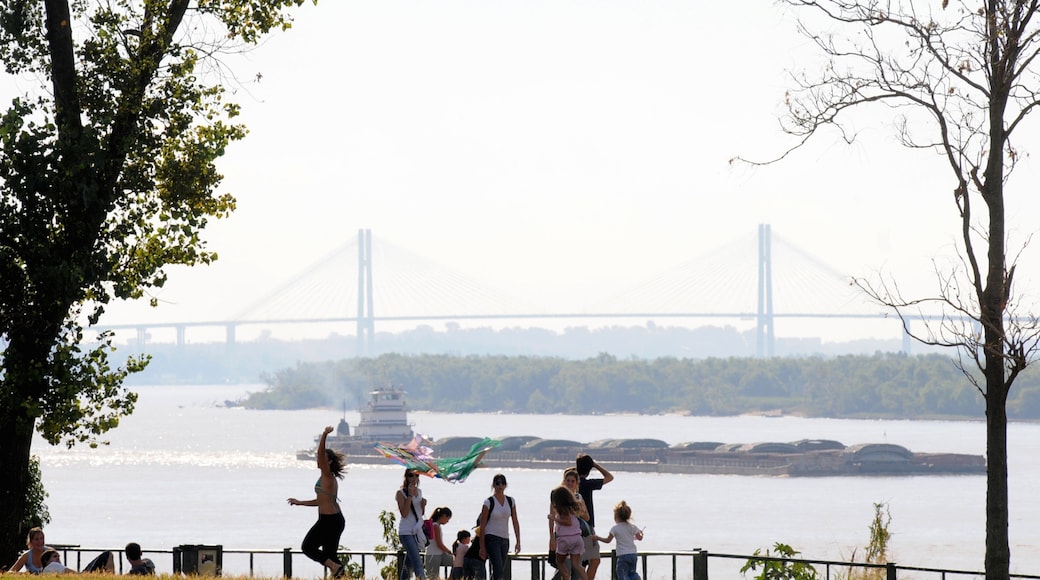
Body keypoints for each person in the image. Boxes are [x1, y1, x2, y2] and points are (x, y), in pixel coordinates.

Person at [288, 426, 347, 578]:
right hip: (331, 519)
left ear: (329, 462)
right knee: (330, 556)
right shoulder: (325, 477)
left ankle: (336, 567)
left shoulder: (327, 475)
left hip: (330, 521)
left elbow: (320, 453)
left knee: (308, 547)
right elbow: (321, 501)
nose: (318, 460)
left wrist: (324, 435)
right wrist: (300, 502)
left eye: (321, 458)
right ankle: (340, 572)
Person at [576, 454, 613, 580]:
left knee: (579, 561)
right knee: (595, 559)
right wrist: (596, 465)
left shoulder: (572, 484)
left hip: (573, 526)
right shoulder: (588, 484)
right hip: (587, 527)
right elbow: (609, 477)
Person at [477, 473, 520, 580]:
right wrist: (482, 547)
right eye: (497, 483)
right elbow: (482, 526)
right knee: (498, 569)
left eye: (502, 483)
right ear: (493, 485)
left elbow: (515, 521)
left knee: (500, 571)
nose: (500, 485)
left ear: (505, 485)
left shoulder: (510, 501)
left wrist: (518, 541)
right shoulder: (488, 502)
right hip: (491, 538)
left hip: (505, 538)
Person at [592, 501, 643, 580]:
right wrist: (641, 534)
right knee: (632, 572)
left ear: (616, 516)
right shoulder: (632, 527)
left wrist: (597, 538)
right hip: (633, 554)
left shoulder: (615, 529)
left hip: (623, 555)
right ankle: (636, 578)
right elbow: (640, 538)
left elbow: (608, 540)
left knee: (622, 574)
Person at [547, 486, 587, 580]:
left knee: (560, 562)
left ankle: (566, 576)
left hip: (565, 539)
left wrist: (555, 519)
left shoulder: (563, 510)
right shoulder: (572, 509)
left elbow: (568, 522)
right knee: (576, 564)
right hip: (577, 539)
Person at [396, 469, 428, 580]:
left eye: (417, 475)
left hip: (417, 532)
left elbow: (420, 514)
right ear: (406, 477)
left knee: (408, 564)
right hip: (406, 532)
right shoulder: (400, 493)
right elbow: (404, 513)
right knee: (417, 562)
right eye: (411, 475)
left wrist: (423, 505)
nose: (414, 478)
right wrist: (409, 496)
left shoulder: (419, 491)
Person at [424, 506, 454, 579]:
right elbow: (439, 544)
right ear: (444, 516)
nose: (447, 521)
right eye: (447, 519)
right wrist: (449, 551)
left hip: (439, 554)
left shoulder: (435, 525)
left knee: (456, 562)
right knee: (433, 577)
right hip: (433, 555)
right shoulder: (435, 526)